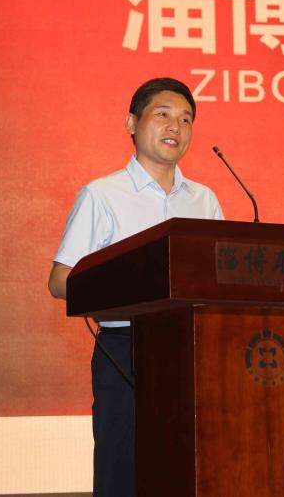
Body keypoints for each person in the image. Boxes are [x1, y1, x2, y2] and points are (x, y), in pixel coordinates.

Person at [48, 77, 224, 497]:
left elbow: (219, 277)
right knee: (122, 470)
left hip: (192, 351)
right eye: (162, 115)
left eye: (186, 119)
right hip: (125, 350)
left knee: (188, 470)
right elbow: (60, 280)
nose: (175, 127)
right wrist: (130, 289)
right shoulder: (102, 195)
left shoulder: (204, 200)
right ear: (132, 123)